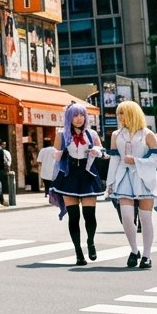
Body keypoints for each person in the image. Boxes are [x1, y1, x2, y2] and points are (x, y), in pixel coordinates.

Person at [107, 101, 157, 268]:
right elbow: (114, 159)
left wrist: (136, 160)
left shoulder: (147, 134)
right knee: (127, 217)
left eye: (123, 113)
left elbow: (155, 159)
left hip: (144, 178)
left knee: (145, 218)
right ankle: (134, 250)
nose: (119, 117)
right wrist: (110, 181)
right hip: (123, 178)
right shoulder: (116, 135)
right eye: (118, 113)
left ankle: (147, 255)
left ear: (133, 114)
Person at [50, 103, 106, 265]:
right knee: (74, 217)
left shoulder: (92, 133)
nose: (79, 118)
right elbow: (56, 153)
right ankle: (78, 252)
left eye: (81, 115)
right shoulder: (61, 134)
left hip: (87, 175)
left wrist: (98, 152)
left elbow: (103, 153)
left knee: (90, 215)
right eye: (75, 115)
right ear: (69, 118)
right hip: (69, 175)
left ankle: (90, 242)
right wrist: (57, 154)